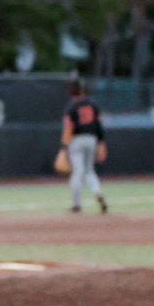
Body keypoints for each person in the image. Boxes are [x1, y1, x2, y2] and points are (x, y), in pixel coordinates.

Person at [61, 81, 108, 214]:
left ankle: (76, 204)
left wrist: (63, 147)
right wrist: (102, 143)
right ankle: (98, 192)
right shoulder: (93, 104)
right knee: (89, 170)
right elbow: (99, 124)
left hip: (77, 140)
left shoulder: (71, 106)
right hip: (92, 139)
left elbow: (68, 127)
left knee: (77, 171)